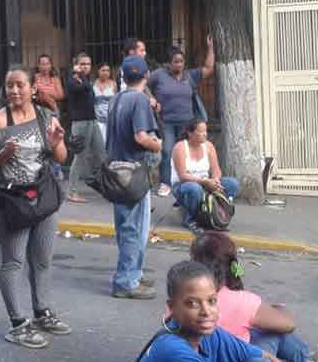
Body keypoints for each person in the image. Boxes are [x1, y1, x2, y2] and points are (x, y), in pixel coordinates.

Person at [130, 260, 318, 362]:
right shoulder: (171, 351)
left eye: (212, 301)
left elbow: (268, 358)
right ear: (172, 308)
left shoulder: (207, 333)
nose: (206, 311)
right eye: (192, 303)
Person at [0, 66, 70, 349]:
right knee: (14, 261)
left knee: (42, 260)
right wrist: (4, 153)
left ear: (32, 88)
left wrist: (56, 144)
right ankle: (18, 324)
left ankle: (42, 312)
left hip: (42, 198)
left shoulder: (45, 116)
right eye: (10, 86)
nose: (15, 91)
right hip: (11, 203)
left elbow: (60, 155)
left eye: (20, 85)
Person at [190, 232, 318, 362]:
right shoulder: (241, 301)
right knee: (272, 336)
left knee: (259, 332)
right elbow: (288, 325)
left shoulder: (182, 299)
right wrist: (278, 310)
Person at [106, 55, 161, 299]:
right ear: (146, 76)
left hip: (116, 168)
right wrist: (156, 144)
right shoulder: (139, 99)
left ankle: (132, 273)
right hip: (134, 171)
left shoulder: (117, 98)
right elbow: (141, 137)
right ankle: (127, 281)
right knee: (135, 228)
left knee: (126, 227)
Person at [148, 40, 215, 198]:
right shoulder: (159, 75)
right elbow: (145, 85)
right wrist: (152, 99)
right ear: (168, 64)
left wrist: (211, 47)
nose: (179, 65)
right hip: (167, 122)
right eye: (175, 62)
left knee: (188, 151)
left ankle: (185, 179)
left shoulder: (189, 76)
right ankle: (165, 183)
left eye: (181, 61)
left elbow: (209, 68)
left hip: (187, 123)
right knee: (167, 151)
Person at [171, 118, 240, 230]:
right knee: (194, 189)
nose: (205, 134)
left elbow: (216, 169)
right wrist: (205, 182)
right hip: (184, 184)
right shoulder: (180, 147)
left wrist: (216, 180)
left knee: (232, 184)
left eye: (206, 131)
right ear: (190, 133)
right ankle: (190, 218)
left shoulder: (208, 146)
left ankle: (217, 214)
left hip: (206, 182)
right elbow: (182, 176)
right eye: (201, 132)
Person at [65, 52, 104, 204]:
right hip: (80, 123)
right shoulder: (72, 81)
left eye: (88, 64)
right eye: (82, 64)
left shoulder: (84, 79)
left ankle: (106, 186)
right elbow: (85, 88)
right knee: (80, 157)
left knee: (102, 153)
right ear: (76, 65)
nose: (86, 67)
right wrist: (77, 73)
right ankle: (72, 191)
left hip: (92, 121)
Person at [93, 62, 116, 143]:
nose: (106, 72)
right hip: (97, 119)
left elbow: (116, 102)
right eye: (103, 70)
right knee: (100, 142)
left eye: (108, 70)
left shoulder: (114, 84)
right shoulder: (92, 84)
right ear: (98, 71)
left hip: (110, 118)